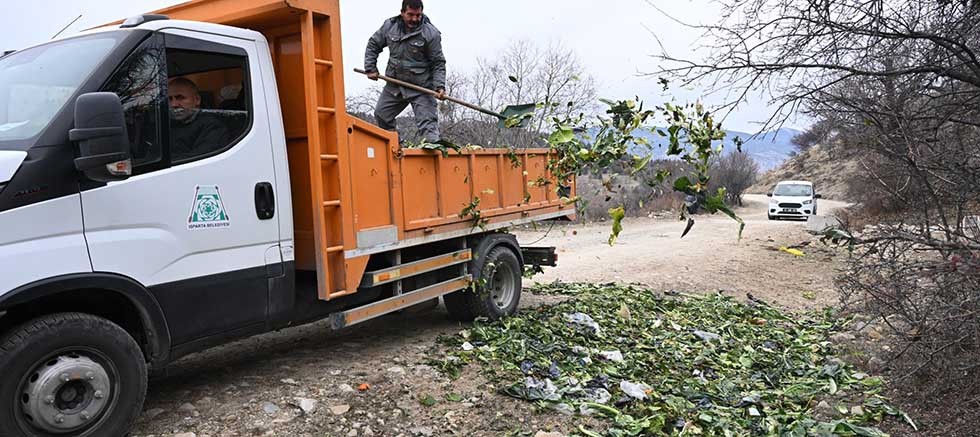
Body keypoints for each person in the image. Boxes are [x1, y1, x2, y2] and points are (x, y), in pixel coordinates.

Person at [364, 0, 446, 143]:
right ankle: (396, 146)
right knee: (382, 114)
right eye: (410, 15)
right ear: (402, 13)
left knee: (429, 130)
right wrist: (370, 67)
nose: (415, 19)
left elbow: (438, 63)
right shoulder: (390, 26)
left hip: (421, 88)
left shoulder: (431, 34)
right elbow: (373, 44)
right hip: (395, 84)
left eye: (418, 15)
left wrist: (439, 86)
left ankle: (433, 157)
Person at [168, 77, 230, 161]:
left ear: (197, 100)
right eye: (170, 99)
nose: (173, 104)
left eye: (180, 98)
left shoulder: (212, 127)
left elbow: (198, 161)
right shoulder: (167, 125)